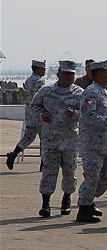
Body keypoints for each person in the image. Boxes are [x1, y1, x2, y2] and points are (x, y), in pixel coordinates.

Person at [30, 61, 83, 217]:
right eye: (65, 73)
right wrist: (41, 116)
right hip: (50, 139)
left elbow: (87, 114)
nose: (68, 76)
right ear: (58, 74)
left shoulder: (80, 93)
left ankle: (66, 199)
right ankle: (45, 204)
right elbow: (33, 106)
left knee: (70, 172)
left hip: (70, 140)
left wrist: (75, 115)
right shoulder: (46, 91)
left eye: (71, 74)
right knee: (49, 171)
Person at [75, 60, 107, 223]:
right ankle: (84, 209)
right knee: (93, 177)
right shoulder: (91, 92)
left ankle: (87, 199)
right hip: (92, 144)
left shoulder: (106, 91)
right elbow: (87, 117)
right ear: (100, 74)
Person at [5, 59, 46, 170]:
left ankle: (14, 154)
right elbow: (41, 97)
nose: (45, 70)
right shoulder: (39, 82)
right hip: (39, 113)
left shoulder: (28, 80)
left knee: (28, 137)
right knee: (45, 138)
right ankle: (43, 164)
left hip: (29, 112)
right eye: (43, 68)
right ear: (37, 69)